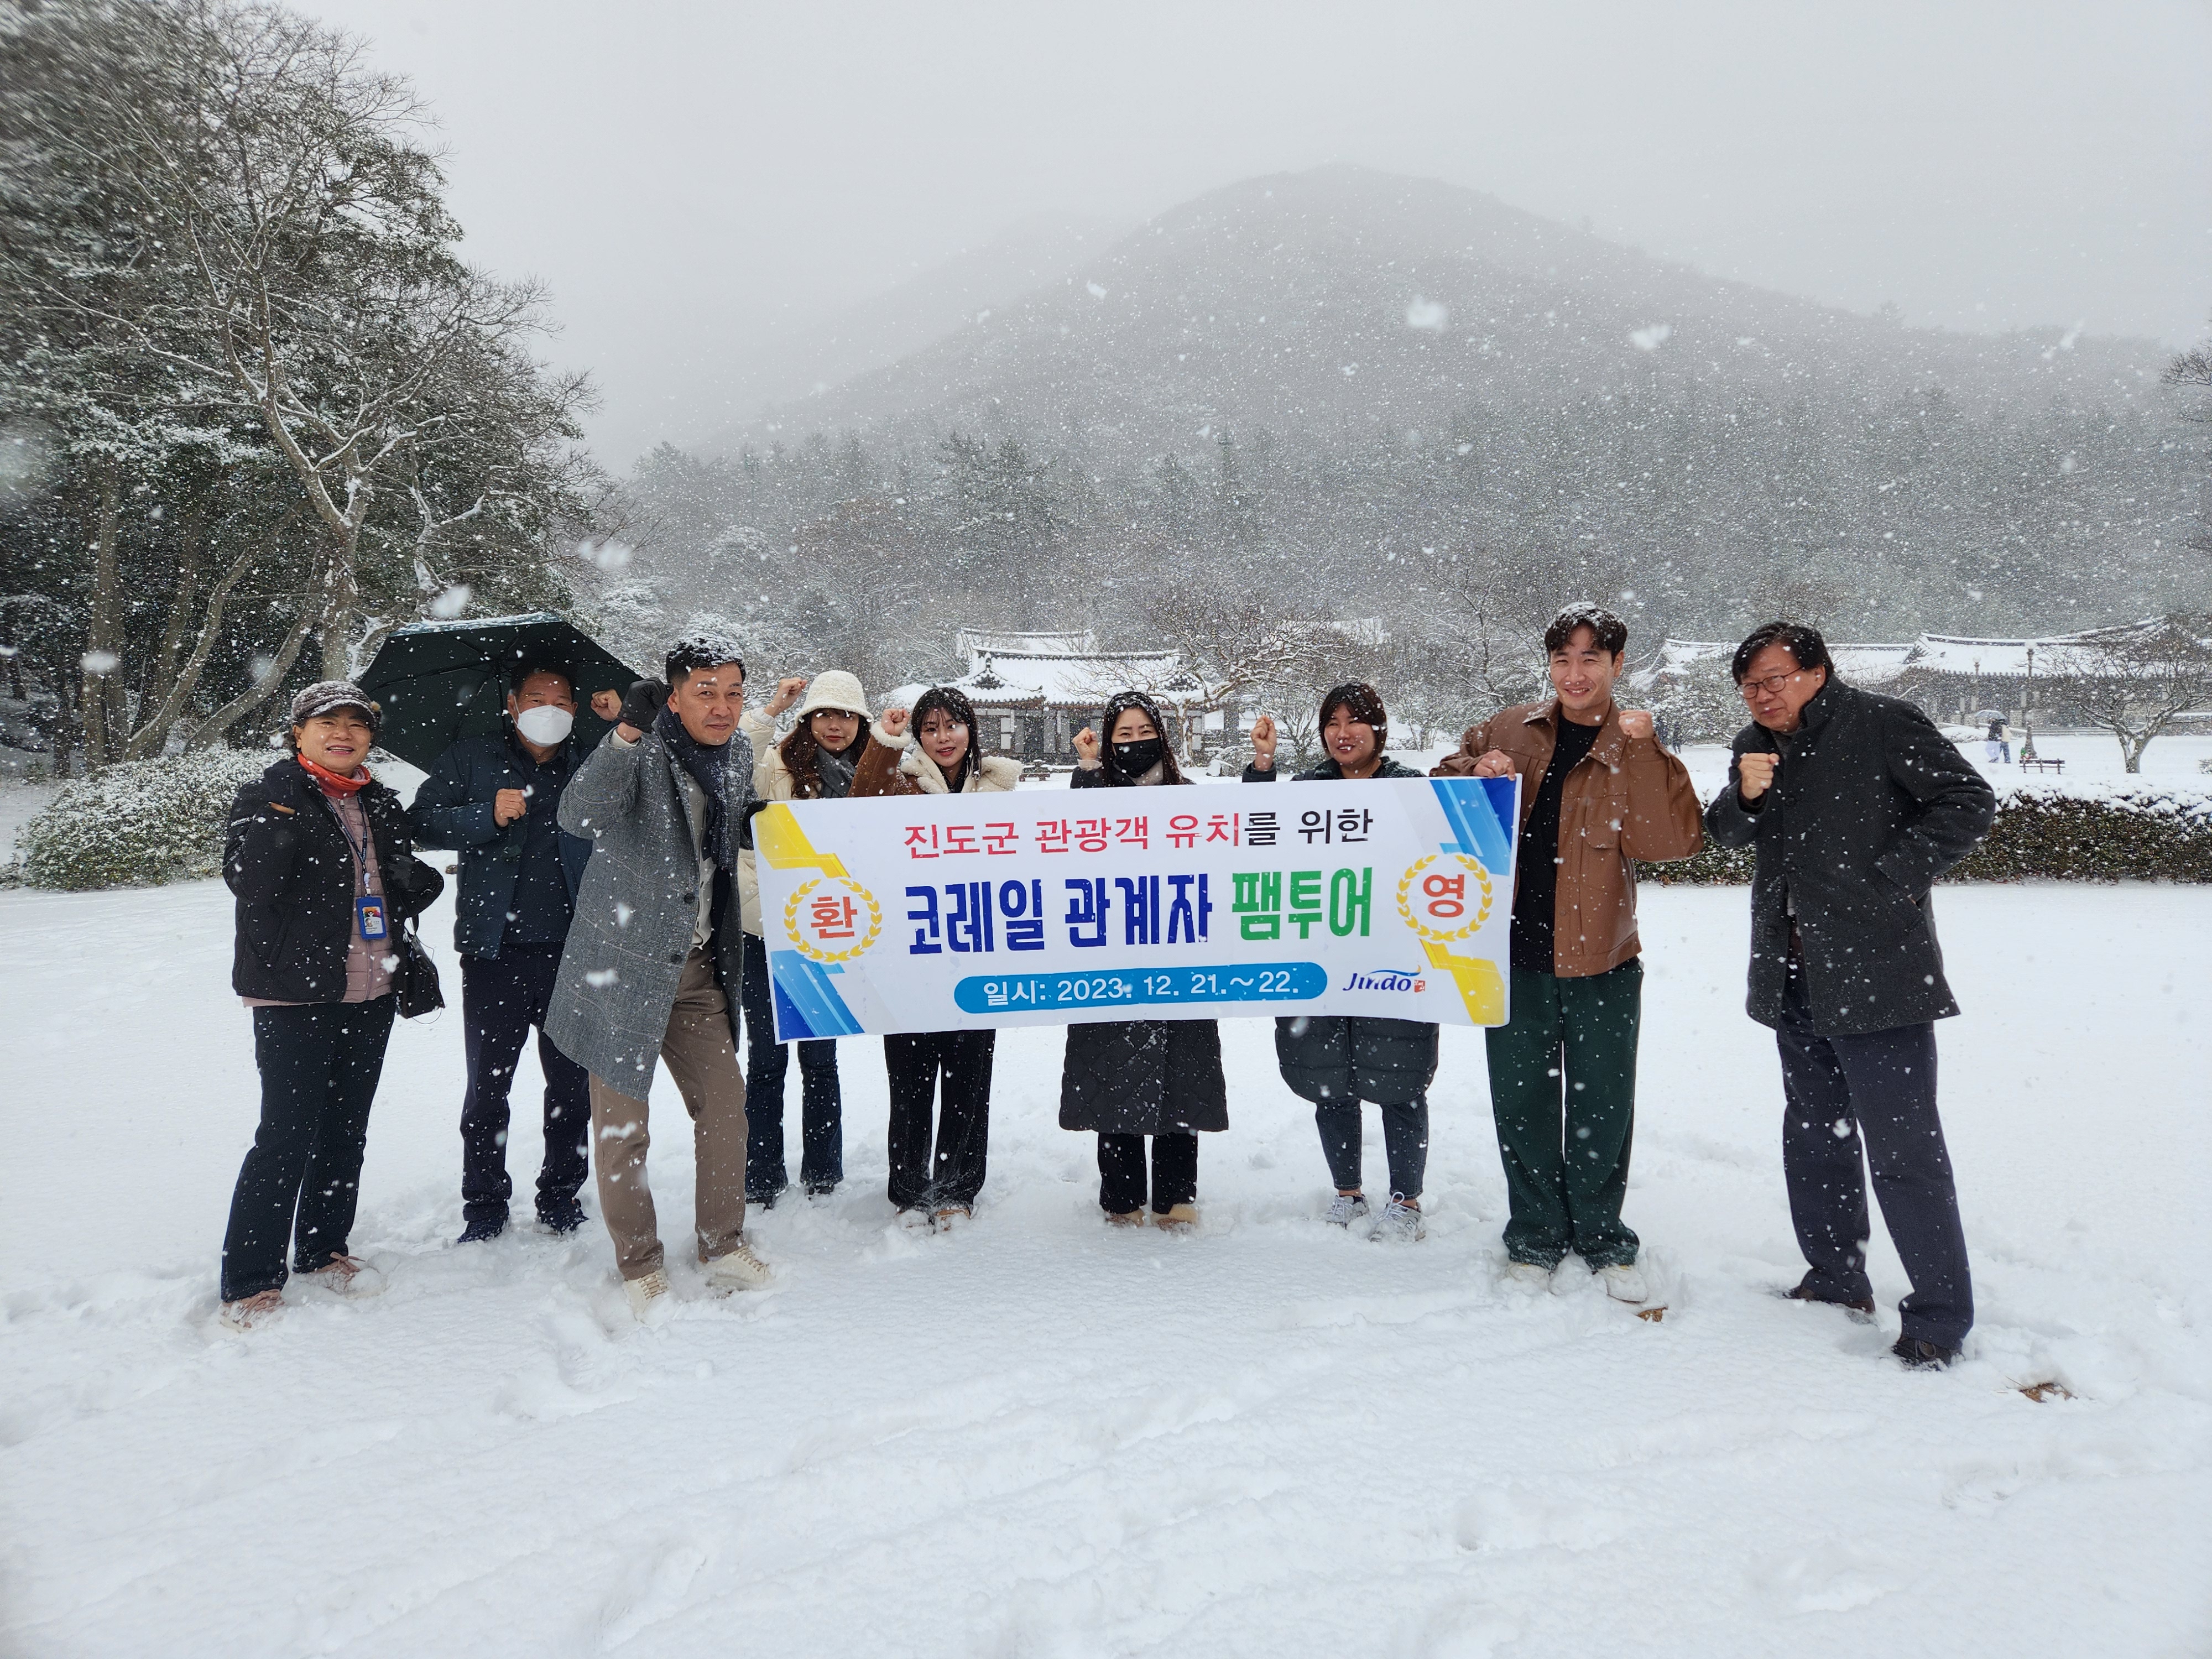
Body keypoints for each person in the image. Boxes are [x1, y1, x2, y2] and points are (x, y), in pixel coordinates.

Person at [1704, 620, 1995, 1369]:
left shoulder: (1883, 723)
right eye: (1749, 685)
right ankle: (1836, 1278)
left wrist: (1890, 879)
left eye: (1774, 680)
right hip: (1792, 971)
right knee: (1815, 1135)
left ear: (1818, 672)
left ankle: (1939, 1318)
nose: (1761, 695)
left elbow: (1968, 800)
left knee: (1904, 1150)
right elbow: (1725, 834)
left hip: (1878, 973)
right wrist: (1745, 794)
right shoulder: (1753, 744)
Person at [1434, 604, 1703, 1303]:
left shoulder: (1633, 741)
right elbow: (1439, 788)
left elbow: (1670, 839)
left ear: (1618, 665)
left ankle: (1603, 1237)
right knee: (1520, 1102)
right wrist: (1476, 767)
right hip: (1511, 956)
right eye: (1563, 659)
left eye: (1591, 659)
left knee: (1603, 1105)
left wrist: (1645, 751)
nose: (1575, 674)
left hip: (1602, 960)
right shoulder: (1510, 728)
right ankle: (1534, 1235)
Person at [546, 635, 774, 1320]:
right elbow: (579, 816)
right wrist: (624, 732)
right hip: (623, 967)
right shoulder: (640, 748)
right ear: (672, 697)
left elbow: (720, 830)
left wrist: (749, 826)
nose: (722, 707)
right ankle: (639, 1262)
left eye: (733, 693)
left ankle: (722, 1242)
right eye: (705, 693)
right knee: (624, 1129)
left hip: (698, 965)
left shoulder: (737, 753)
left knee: (726, 1107)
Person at [218, 681, 444, 1331]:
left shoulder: (378, 801)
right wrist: (283, 805)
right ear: (299, 733)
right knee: (285, 1134)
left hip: (371, 988)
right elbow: (252, 883)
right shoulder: (268, 796)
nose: (343, 733)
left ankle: (323, 1249)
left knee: (346, 1127)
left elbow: (393, 881)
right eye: (328, 723)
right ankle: (251, 1280)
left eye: (357, 724)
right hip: (294, 992)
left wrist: (412, 882)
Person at [1243, 683, 1437, 1241]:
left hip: (1393, 961)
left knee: (1400, 1081)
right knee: (1329, 1080)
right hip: (1321, 958)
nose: (1343, 733)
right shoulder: (1308, 791)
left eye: (1355, 722)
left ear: (1379, 728)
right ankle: (1347, 1192)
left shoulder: (1410, 790)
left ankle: (1406, 1200)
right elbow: (1256, 832)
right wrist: (1263, 766)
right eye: (1332, 722)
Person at [410, 664, 596, 1243]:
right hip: (495, 952)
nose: (549, 709)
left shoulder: (592, 762)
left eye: (561, 701)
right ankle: (485, 1203)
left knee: (571, 1087)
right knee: (488, 1087)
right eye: (536, 699)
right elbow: (419, 823)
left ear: (575, 710)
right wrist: (483, 815)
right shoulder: (472, 758)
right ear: (512, 706)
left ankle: (561, 1195)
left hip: (575, 950)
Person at [849, 684, 1020, 1228]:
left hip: (977, 958)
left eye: (953, 725)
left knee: (969, 1083)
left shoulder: (999, 790)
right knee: (910, 1083)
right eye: (930, 728)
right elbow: (856, 807)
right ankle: (908, 1190)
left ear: (971, 729)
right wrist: (884, 741)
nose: (943, 737)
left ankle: (957, 1189)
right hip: (909, 958)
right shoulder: (900, 785)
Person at [1061, 691, 1228, 1229]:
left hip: (1181, 956)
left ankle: (1176, 1196)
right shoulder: (1096, 794)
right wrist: (1089, 769)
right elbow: (1073, 847)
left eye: (1144, 733)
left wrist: (1262, 772)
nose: (1135, 743)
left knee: (1183, 1077)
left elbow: (1234, 853)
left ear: (1162, 736)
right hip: (1112, 958)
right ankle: (1121, 1195)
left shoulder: (1188, 798)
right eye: (1124, 735)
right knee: (1114, 1072)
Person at [734, 670, 900, 1206]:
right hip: (767, 934)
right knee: (766, 1060)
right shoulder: (778, 765)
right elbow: (736, 766)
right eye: (825, 714)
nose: (836, 725)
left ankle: (823, 1172)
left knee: (820, 1060)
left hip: (829, 934)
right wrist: (769, 712)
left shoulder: (868, 774)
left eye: (847, 716)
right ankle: (761, 1173)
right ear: (808, 720)